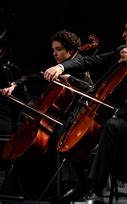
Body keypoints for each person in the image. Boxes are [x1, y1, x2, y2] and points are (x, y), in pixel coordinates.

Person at [44, 12, 127, 204]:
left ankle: (96, 191)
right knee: (64, 130)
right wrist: (63, 67)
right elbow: (91, 60)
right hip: (118, 114)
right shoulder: (121, 51)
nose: (123, 34)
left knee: (111, 126)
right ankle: (82, 185)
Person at [0, 29, 93, 200]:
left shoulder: (81, 66)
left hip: (74, 119)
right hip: (56, 119)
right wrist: (14, 84)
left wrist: (70, 78)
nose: (55, 54)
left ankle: (65, 188)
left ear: (70, 51)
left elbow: (91, 89)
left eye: (59, 49)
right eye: (53, 50)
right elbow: (36, 76)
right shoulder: (56, 69)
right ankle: (22, 189)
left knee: (56, 138)